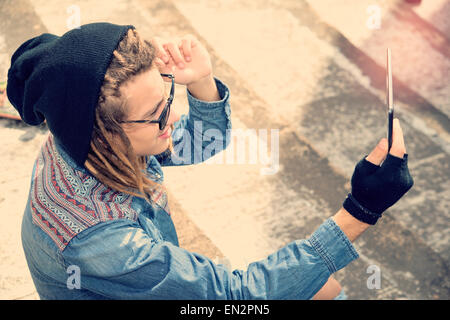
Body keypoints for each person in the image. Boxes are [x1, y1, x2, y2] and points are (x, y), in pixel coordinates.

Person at [7, 22, 413, 300]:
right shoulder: (97, 239)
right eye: (157, 114)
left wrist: (200, 80)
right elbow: (238, 295)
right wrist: (361, 209)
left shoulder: (84, 136)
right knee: (314, 285)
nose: (172, 116)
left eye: (167, 96)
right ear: (104, 133)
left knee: (319, 285)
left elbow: (202, 142)